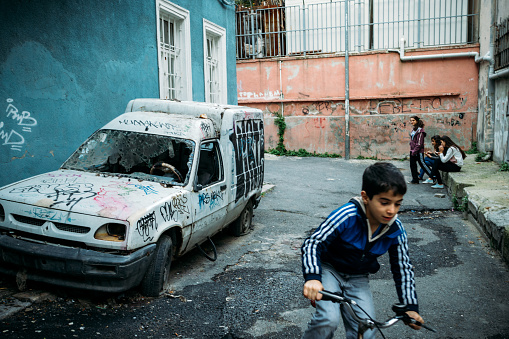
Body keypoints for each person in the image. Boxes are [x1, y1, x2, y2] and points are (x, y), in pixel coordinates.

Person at [301, 162, 423, 339]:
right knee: (328, 319)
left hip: (358, 278)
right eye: (384, 202)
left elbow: (403, 268)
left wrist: (410, 307)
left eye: (397, 204)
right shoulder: (347, 215)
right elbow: (313, 242)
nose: (391, 210)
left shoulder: (396, 229)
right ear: (365, 197)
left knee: (367, 329)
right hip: (329, 270)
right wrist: (313, 278)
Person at [408, 116, 427, 184]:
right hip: (412, 150)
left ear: (417, 121)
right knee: (412, 165)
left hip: (418, 151)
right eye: (411, 120)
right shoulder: (414, 130)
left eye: (413, 120)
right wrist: (412, 150)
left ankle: (433, 176)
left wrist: (415, 151)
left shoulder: (420, 131)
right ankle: (415, 180)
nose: (412, 122)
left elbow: (419, 143)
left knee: (422, 164)